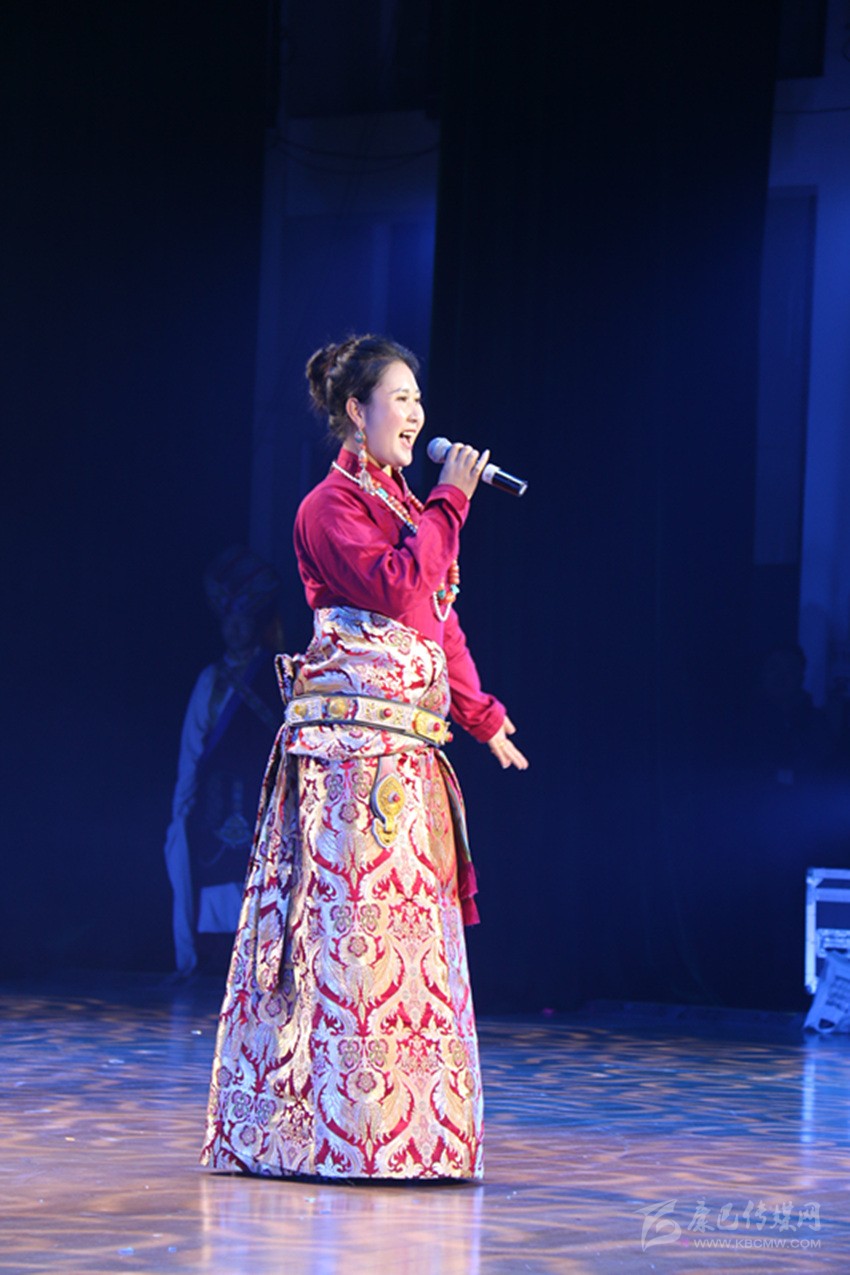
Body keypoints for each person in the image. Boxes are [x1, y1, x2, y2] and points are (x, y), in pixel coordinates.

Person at [201, 335, 527, 1181]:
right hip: (349, 766)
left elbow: (437, 619)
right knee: (349, 947)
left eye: (419, 398)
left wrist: (482, 715)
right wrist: (452, 503)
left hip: (409, 760)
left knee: (411, 949)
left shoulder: (409, 505)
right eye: (400, 397)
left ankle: (415, 1136)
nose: (416, 413)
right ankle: (336, 1131)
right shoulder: (328, 508)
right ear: (357, 410)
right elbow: (395, 586)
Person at [163, 546, 283, 978]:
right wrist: (182, 809)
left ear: (255, 624)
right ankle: (213, 967)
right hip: (217, 803)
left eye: (243, 620)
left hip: (261, 797)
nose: (235, 628)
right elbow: (192, 748)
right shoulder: (211, 680)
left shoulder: (273, 675)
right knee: (217, 876)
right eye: (228, 620)